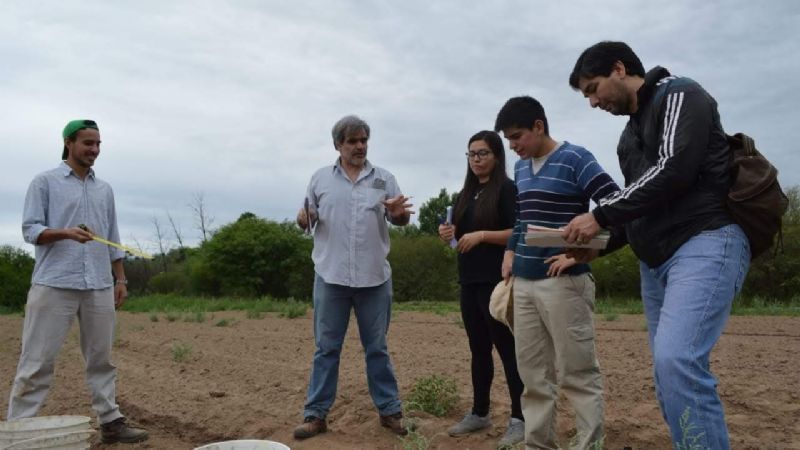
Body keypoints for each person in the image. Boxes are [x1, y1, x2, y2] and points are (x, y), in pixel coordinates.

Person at [564, 41, 750, 449]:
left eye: (593, 89)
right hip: (656, 264)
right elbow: (639, 209)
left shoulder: (681, 94)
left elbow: (674, 169)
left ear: (618, 69)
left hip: (704, 242)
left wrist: (599, 214)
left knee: (677, 362)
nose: (593, 102)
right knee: (669, 378)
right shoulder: (627, 138)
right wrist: (598, 246)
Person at [7, 119, 148, 444]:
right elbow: (30, 230)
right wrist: (65, 232)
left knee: (102, 359)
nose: (95, 150)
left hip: (98, 284)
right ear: (69, 143)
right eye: (88, 143)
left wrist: (121, 278)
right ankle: (19, 430)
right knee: (38, 359)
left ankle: (110, 422)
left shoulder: (104, 189)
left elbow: (112, 236)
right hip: (54, 283)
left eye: (98, 144)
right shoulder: (44, 182)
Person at [494, 97, 620, 450]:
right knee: (533, 378)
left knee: (578, 374)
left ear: (538, 126)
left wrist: (587, 254)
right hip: (524, 283)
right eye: (508, 141)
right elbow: (521, 219)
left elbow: (614, 204)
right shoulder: (520, 169)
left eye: (517, 137)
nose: (513, 146)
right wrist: (509, 252)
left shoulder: (576, 158)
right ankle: (539, 445)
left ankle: (589, 445)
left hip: (565, 284)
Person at [293, 115, 414, 440]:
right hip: (330, 277)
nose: (360, 146)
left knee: (377, 348)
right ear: (338, 145)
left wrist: (400, 215)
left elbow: (398, 216)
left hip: (374, 278)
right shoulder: (320, 179)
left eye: (364, 140)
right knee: (326, 349)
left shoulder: (384, 178)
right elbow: (308, 215)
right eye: (353, 141)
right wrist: (304, 219)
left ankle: (390, 412)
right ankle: (315, 415)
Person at [437, 130, 524, 447]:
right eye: (471, 154)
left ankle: (520, 417)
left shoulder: (506, 190)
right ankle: (480, 412)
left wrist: (483, 235)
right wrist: (448, 235)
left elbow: (519, 231)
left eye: (483, 153)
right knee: (478, 349)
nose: (476, 159)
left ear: (497, 156)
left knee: (507, 350)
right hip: (469, 281)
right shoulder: (465, 194)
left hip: (497, 281)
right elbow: (458, 241)